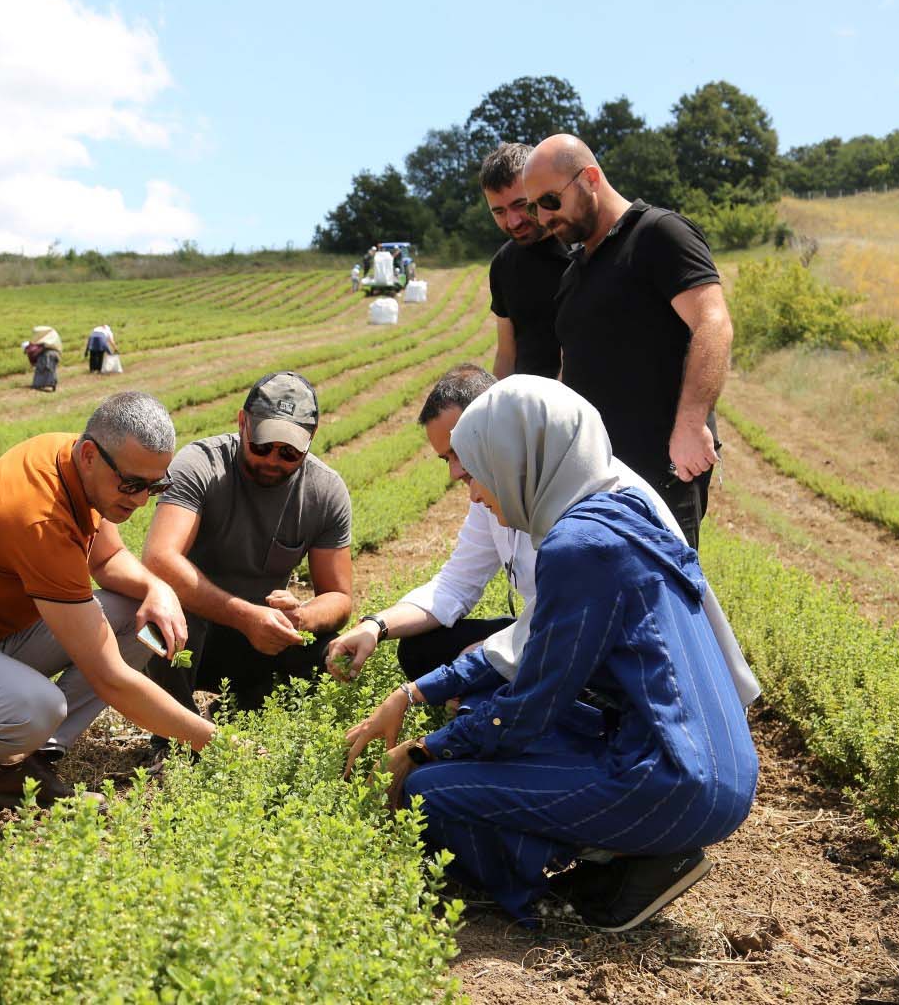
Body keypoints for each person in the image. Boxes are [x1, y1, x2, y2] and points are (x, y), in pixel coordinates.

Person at [345, 377, 759, 932]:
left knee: (431, 793)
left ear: (517, 455)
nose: (470, 493)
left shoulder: (577, 547)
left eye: (473, 471)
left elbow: (530, 706)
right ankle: (620, 849)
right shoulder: (617, 507)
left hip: (674, 783)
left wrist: (422, 753)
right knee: (479, 716)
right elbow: (529, 644)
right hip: (710, 763)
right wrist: (417, 693)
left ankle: (565, 882)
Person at [0, 392, 214, 825]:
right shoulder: (39, 517)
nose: (141, 500)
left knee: (136, 612)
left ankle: (20, 770)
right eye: (132, 484)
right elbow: (110, 678)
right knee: (36, 709)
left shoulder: (72, 460)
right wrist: (211, 741)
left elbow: (104, 561)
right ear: (90, 455)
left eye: (155, 486)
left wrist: (156, 587)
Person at [324, 364, 757, 705]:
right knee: (422, 649)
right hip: (561, 633)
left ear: (502, 435)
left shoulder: (591, 501)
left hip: (622, 660)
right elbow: (456, 584)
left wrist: (493, 655)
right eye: (446, 459)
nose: (458, 472)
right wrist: (375, 626)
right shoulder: (503, 490)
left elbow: (592, 630)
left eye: (462, 452)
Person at [524, 134, 733, 548]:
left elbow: (712, 323)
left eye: (549, 201)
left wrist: (691, 423)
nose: (543, 218)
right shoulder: (574, 272)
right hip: (597, 475)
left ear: (590, 178)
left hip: (661, 470)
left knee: (662, 595)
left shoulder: (658, 234)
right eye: (534, 207)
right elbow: (573, 368)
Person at [143, 371, 353, 737]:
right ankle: (173, 737)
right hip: (193, 636)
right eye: (262, 445)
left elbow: (339, 597)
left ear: (311, 439)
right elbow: (160, 559)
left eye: (289, 452)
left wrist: (300, 618)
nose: (273, 459)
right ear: (243, 423)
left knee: (328, 650)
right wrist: (243, 616)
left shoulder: (325, 490)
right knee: (170, 615)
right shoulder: (201, 464)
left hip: (260, 641)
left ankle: (242, 707)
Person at [481, 143, 569, 380]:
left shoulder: (580, 250)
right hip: (528, 406)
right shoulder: (502, 264)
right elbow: (507, 353)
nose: (513, 221)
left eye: (520, 205)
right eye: (499, 212)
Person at [24, 326, 62, 392]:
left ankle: (37, 384)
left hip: (47, 356)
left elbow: (33, 358)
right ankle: (52, 384)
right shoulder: (41, 344)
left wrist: (33, 364)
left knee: (40, 370)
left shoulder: (31, 349)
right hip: (55, 354)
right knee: (52, 370)